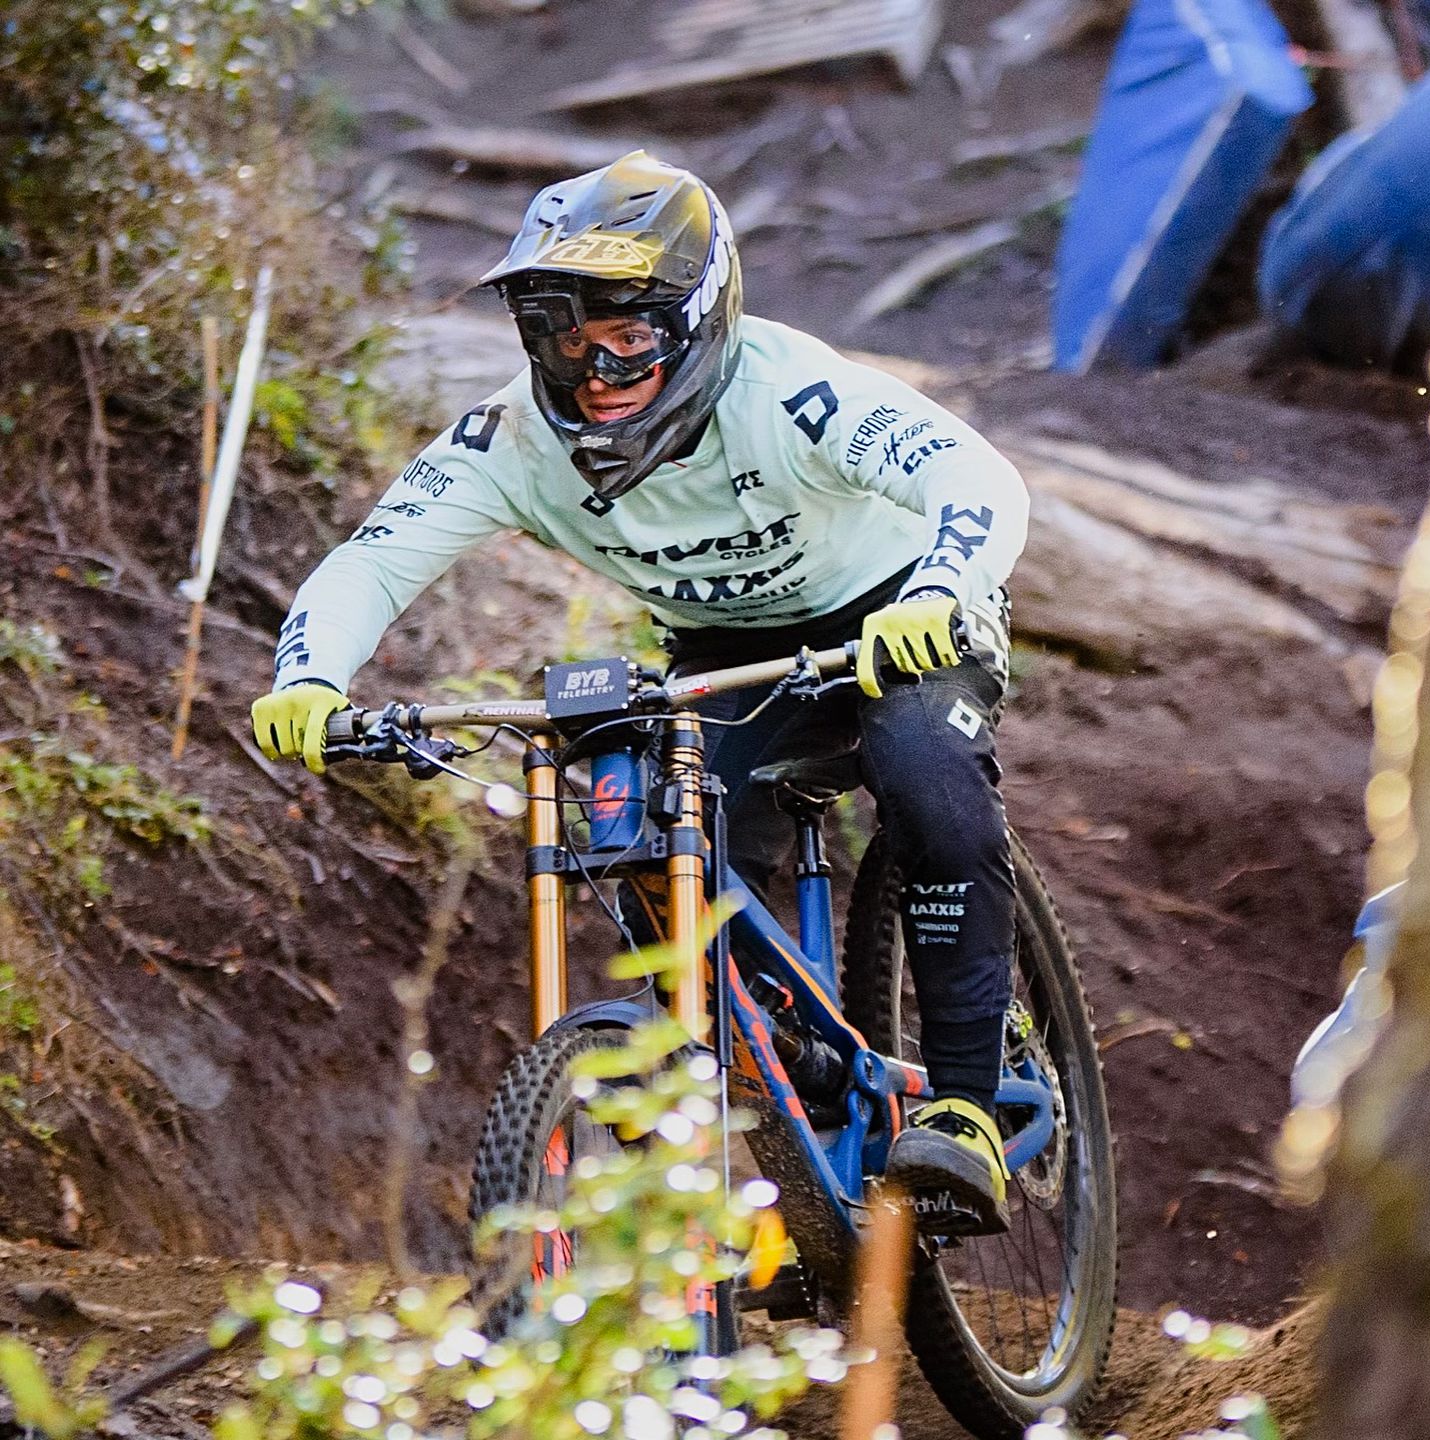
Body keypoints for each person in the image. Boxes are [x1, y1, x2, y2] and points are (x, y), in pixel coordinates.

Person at [252, 152, 1030, 1234]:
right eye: (566, 336)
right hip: (725, 652)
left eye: (629, 332)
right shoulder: (511, 439)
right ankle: (771, 1091)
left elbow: (974, 474)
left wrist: (943, 587)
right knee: (652, 834)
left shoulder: (788, 388)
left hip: (898, 618)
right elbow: (374, 560)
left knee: (923, 768)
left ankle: (968, 1105)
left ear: (702, 317)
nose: (598, 369)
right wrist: (311, 676)